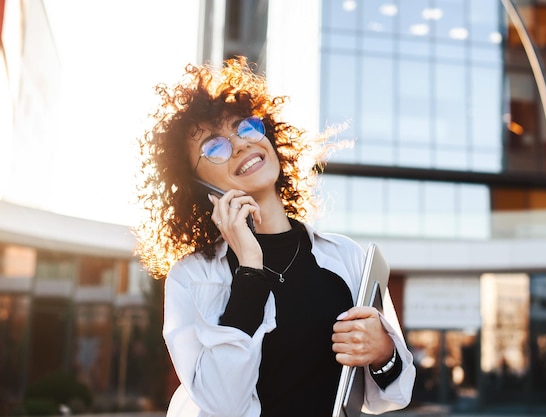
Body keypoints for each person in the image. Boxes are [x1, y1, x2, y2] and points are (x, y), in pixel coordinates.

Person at [134, 57, 415, 417]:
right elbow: (223, 404)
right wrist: (250, 270)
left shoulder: (346, 257)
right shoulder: (191, 278)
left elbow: (397, 391)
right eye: (214, 147)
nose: (238, 145)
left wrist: (383, 353)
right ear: (199, 185)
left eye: (245, 128)